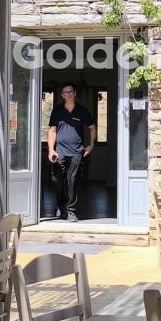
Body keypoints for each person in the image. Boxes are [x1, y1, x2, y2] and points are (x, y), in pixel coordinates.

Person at [47, 84, 95, 223]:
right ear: (62, 95)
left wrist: (91, 145)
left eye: (70, 92)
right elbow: (52, 131)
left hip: (76, 152)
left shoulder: (82, 110)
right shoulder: (57, 111)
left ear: (74, 93)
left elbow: (92, 127)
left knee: (72, 180)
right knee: (57, 180)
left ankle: (71, 211)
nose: (68, 94)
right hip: (59, 151)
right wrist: (51, 149)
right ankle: (59, 205)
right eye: (65, 92)